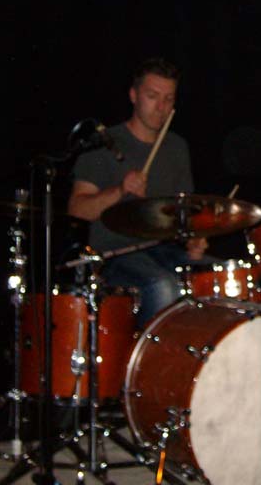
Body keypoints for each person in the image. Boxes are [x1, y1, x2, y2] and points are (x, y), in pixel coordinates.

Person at [67, 57, 207, 327]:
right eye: (153, 96)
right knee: (163, 286)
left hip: (164, 250)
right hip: (114, 256)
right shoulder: (104, 144)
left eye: (169, 99)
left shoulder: (177, 147)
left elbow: (185, 212)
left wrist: (195, 239)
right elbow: (77, 208)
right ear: (133, 96)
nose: (162, 107)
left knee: (215, 278)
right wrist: (120, 189)